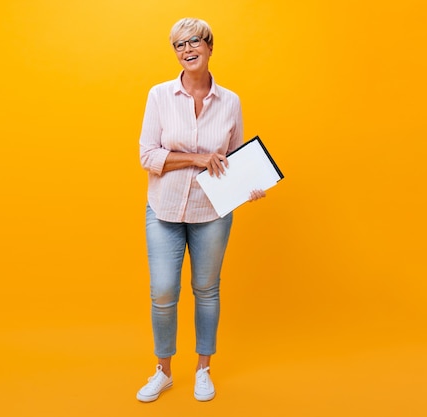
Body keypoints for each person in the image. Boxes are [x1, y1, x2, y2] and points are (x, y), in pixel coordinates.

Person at [137, 17, 265, 403]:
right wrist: (198, 157)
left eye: (194, 42)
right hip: (163, 210)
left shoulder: (231, 102)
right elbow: (148, 155)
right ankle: (163, 371)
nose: (187, 50)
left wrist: (248, 185)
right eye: (179, 45)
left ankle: (203, 369)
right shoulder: (159, 96)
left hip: (212, 212)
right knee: (163, 291)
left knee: (206, 289)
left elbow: (235, 158)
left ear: (209, 47)